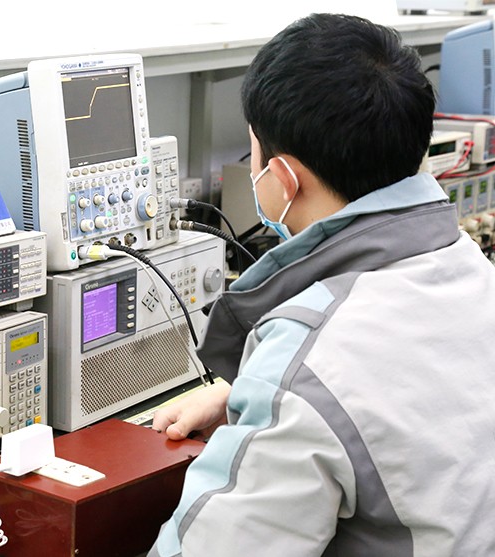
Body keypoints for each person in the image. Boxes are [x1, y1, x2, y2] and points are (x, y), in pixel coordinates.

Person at [149, 13, 495, 557]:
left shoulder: (308, 363)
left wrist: (284, 392)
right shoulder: (470, 268)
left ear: (282, 178)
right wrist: (254, 393)